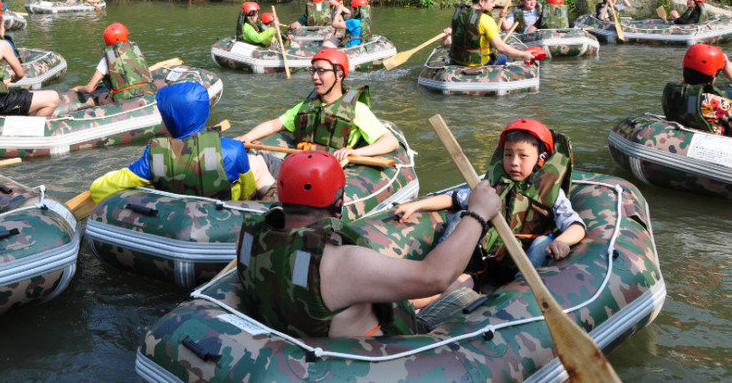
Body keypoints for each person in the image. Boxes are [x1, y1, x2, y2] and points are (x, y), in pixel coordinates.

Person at [237, 150, 503, 338]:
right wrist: (478, 212)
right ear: (339, 202)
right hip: (379, 356)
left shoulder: (249, 238)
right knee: (467, 292)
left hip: (297, 348)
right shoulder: (340, 261)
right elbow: (436, 277)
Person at [394, 119, 586, 286]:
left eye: (523, 156)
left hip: (526, 260)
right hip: (491, 258)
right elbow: (454, 198)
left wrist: (561, 241)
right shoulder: (492, 187)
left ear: (541, 159)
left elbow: (576, 226)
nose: (514, 162)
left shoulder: (551, 193)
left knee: (542, 242)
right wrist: (416, 205)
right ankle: (442, 266)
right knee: (462, 216)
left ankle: (518, 291)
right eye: (508, 154)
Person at [238, 49, 400, 195]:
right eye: (313, 71)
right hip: (299, 165)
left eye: (321, 71)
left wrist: (356, 153)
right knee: (253, 161)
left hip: (329, 172)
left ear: (339, 75)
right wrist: (247, 137)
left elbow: (390, 142)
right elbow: (274, 124)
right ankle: (265, 201)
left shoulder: (357, 109)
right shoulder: (306, 106)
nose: (315, 76)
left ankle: (277, 200)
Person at [89, 82, 255, 204]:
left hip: (173, 218)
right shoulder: (234, 149)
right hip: (223, 219)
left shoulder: (156, 156)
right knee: (258, 163)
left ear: (172, 119)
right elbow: (248, 193)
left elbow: (98, 190)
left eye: (164, 117)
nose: (162, 122)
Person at [441, 0, 537, 67]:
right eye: (492, 1)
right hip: (481, 64)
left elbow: (452, 40)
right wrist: (522, 55)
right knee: (503, 57)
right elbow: (500, 47)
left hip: (457, 62)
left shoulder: (459, 14)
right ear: (482, 1)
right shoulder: (487, 19)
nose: (494, 5)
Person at [72, 23, 157, 102]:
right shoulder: (136, 52)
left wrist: (78, 89)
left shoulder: (107, 59)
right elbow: (149, 76)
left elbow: (89, 89)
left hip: (124, 99)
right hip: (148, 93)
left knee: (101, 98)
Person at [663, 44, 732, 136]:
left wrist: (689, 74)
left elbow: (685, 86)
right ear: (714, 76)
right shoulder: (711, 102)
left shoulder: (671, 93)